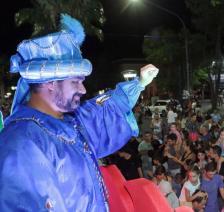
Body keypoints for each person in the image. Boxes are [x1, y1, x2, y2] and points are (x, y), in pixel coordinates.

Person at [0, 15, 158, 211]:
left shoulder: (70, 124)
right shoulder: (21, 144)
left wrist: (140, 83)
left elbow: (103, 111)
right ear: (50, 82)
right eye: (75, 82)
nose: (83, 90)